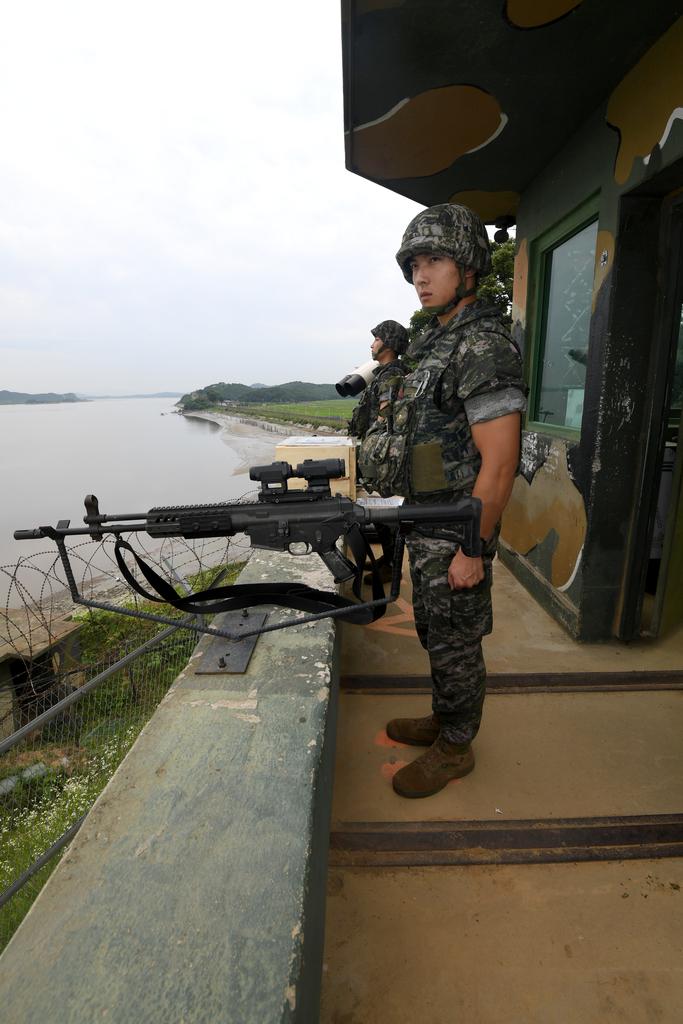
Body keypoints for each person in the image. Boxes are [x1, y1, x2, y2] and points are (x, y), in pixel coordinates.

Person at [379, 204, 526, 798]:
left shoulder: (482, 347)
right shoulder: (442, 341)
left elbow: (501, 462)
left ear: (467, 269)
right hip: (430, 522)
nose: (420, 275)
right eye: (415, 264)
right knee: (437, 632)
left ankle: (457, 746)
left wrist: (474, 549)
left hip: (457, 530)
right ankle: (444, 719)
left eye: (434, 260)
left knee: (457, 640)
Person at [348, 320, 409, 583]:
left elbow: (389, 419)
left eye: (376, 339)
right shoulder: (383, 374)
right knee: (384, 513)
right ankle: (388, 560)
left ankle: (392, 569)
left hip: (385, 455)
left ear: (389, 343)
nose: (372, 344)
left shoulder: (393, 376)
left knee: (388, 513)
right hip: (381, 452)